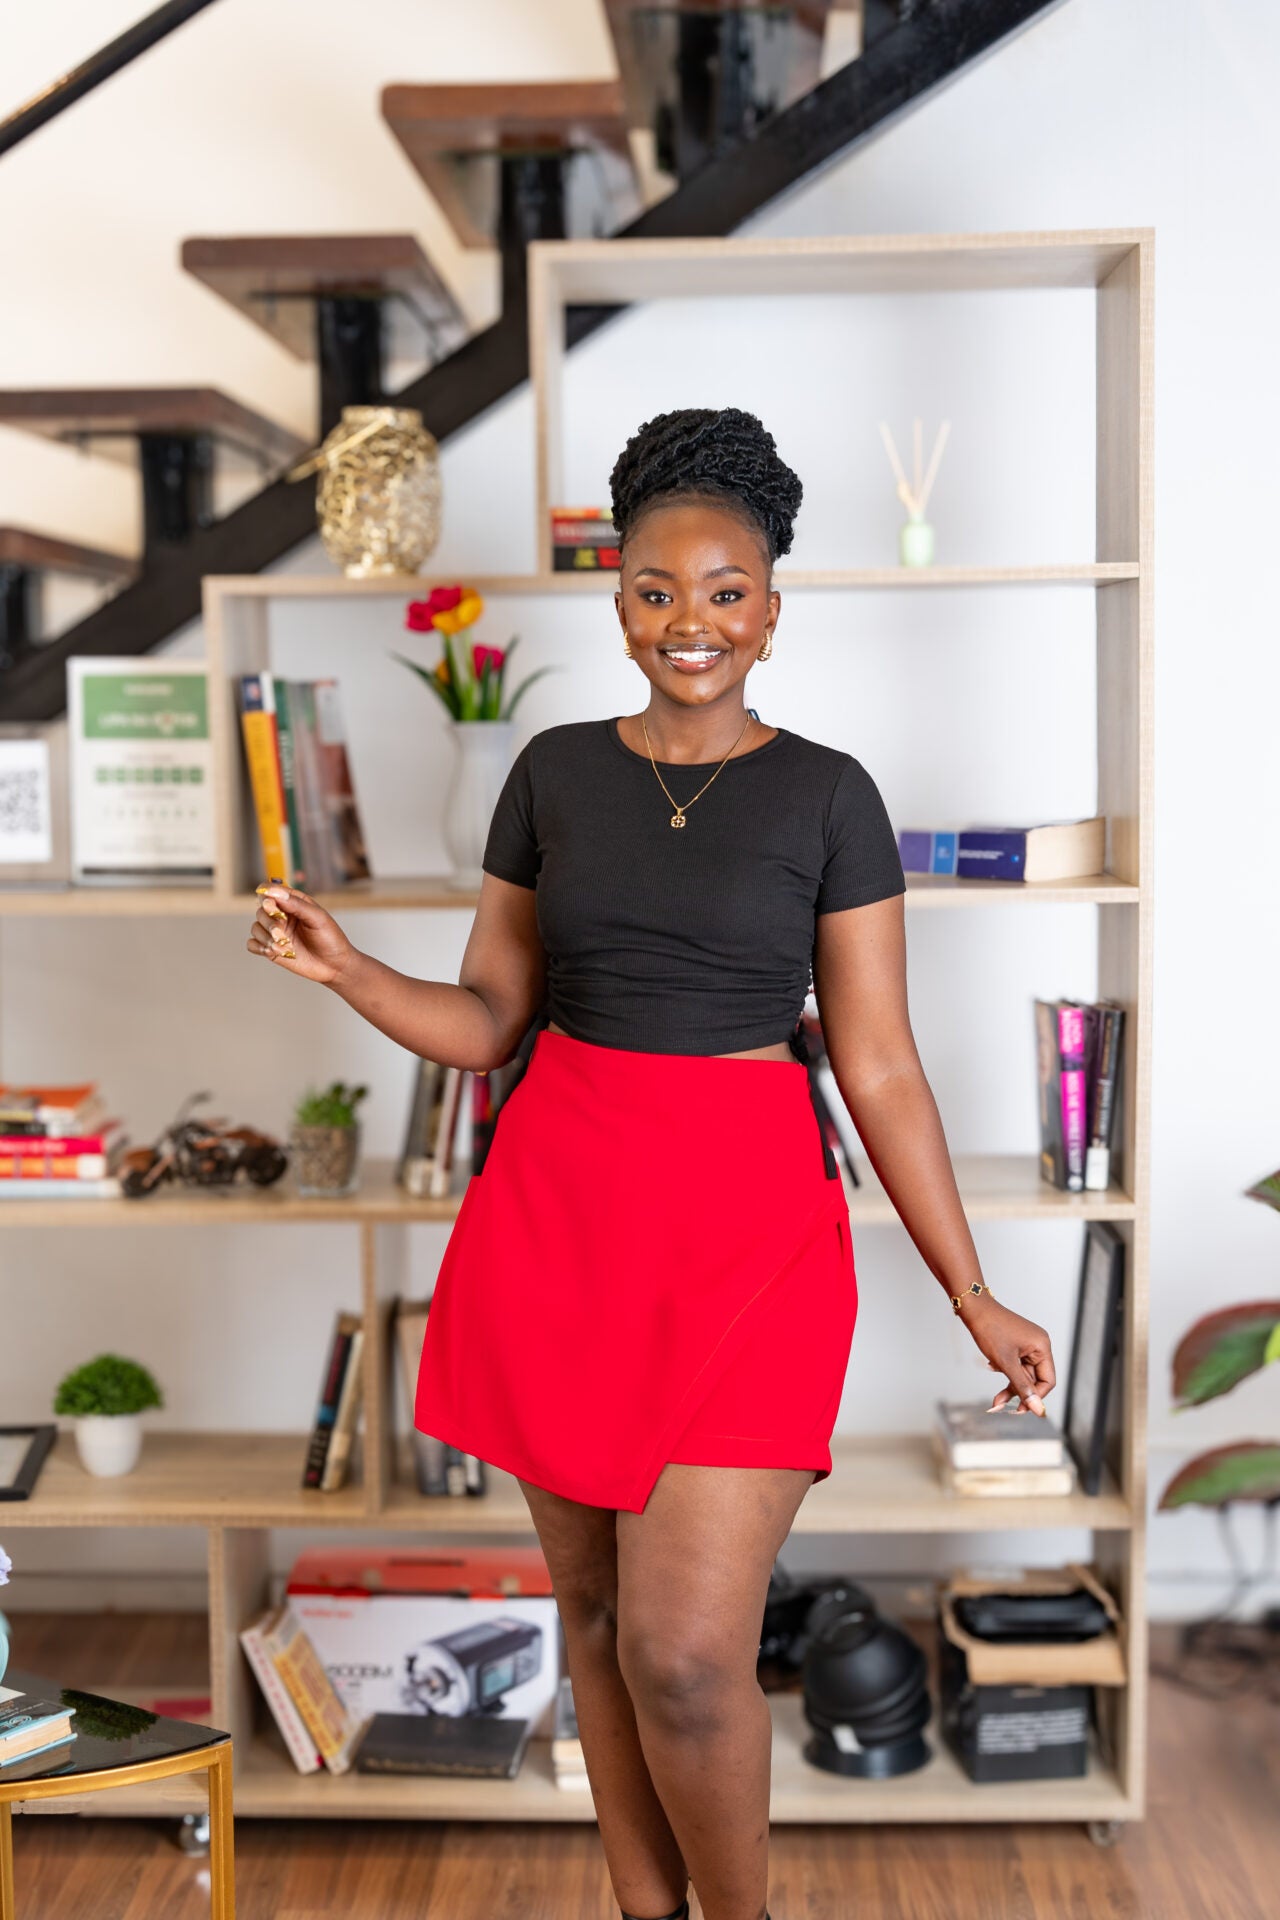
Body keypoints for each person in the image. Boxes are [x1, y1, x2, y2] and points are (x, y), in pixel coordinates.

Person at [246, 405, 1057, 1920]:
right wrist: (354, 972)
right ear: (618, 596)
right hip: (561, 1218)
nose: (692, 622)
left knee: (687, 1649)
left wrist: (973, 1292)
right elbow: (493, 1019)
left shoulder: (829, 794)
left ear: (773, 602)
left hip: (750, 1232)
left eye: (726, 589)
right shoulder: (554, 773)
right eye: (656, 590)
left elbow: (877, 1064)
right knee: (602, 1618)